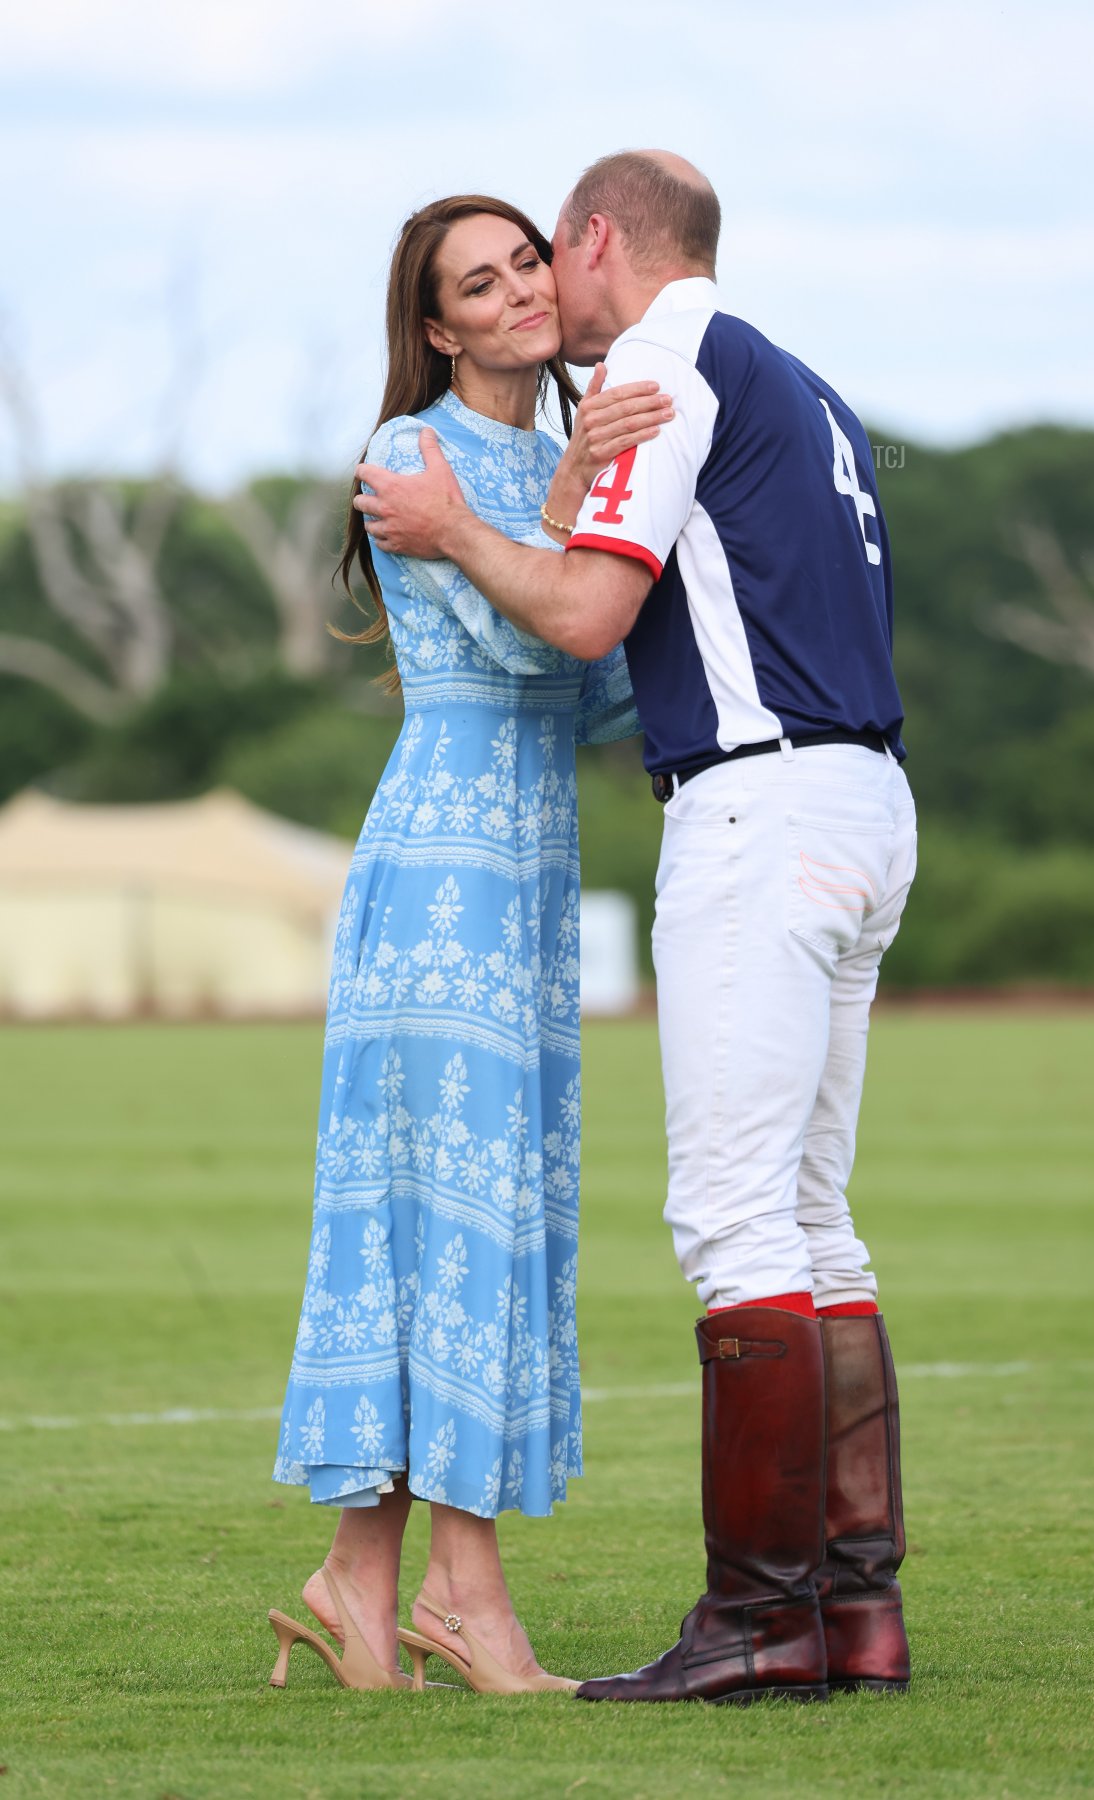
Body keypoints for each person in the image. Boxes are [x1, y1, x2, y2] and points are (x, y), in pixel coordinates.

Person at [355, 150, 918, 1706]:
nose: (545, 291)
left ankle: (761, 1620)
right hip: (870, 794)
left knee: (739, 1227)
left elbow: (591, 623)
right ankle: (855, 1616)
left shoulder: (663, 368)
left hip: (762, 809)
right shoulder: (803, 380)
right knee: (815, 1220)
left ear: (598, 241)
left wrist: (467, 530)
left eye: (548, 256)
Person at [269, 193, 670, 1696]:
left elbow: (608, 682)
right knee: (447, 1213)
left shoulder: (579, 445)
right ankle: (467, 1605)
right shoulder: (407, 456)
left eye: (525, 268)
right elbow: (521, 641)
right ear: (435, 324)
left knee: (474, 1210)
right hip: (439, 861)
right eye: (476, 283)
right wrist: (565, 505)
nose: (513, 296)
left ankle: (359, 1590)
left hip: (534, 860)